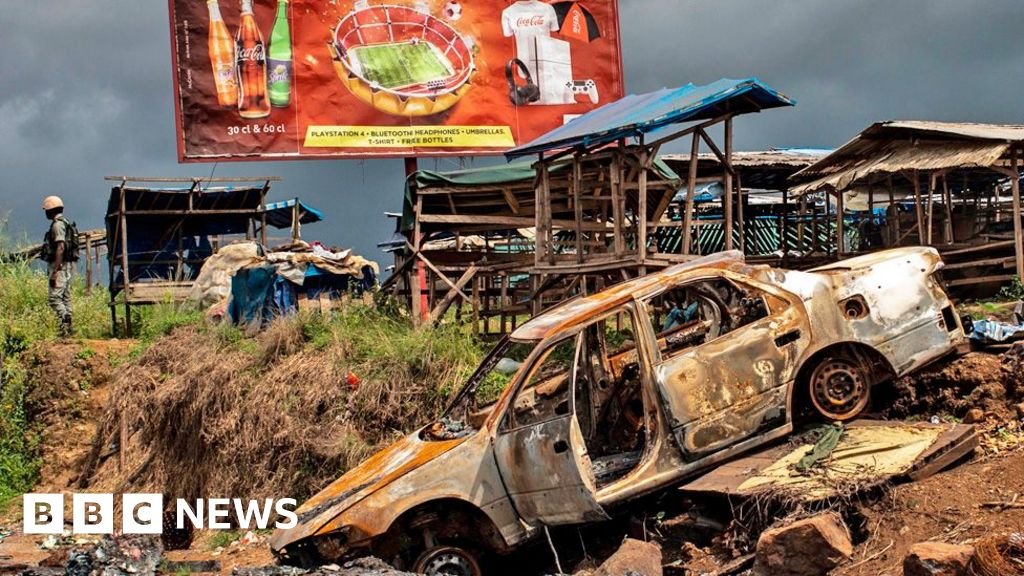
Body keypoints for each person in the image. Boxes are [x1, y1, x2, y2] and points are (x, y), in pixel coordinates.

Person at [41, 195, 74, 337]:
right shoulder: (65, 223)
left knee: (54, 299)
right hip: (65, 266)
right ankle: (67, 331)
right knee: (65, 298)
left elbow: (60, 247)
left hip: (59, 267)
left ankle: (65, 320)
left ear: (50, 210)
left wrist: (55, 270)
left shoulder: (57, 225)